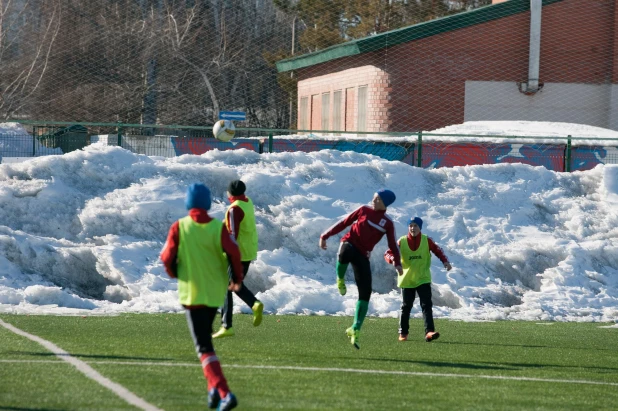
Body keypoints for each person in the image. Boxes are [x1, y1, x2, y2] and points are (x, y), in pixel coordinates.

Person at [160, 183, 242, 411]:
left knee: (203, 347)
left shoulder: (180, 227)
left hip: (192, 294)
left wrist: (175, 273)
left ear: (188, 202)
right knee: (206, 341)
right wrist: (237, 277)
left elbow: (166, 258)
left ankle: (225, 393)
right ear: (207, 203)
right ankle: (213, 391)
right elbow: (234, 251)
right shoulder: (217, 227)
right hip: (215, 294)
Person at [319, 189, 402, 349]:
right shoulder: (363, 210)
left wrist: (397, 263)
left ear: (385, 203)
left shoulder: (387, 223)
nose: (373, 200)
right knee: (346, 252)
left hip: (363, 255)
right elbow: (344, 222)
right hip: (349, 244)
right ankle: (340, 278)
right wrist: (325, 235)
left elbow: (392, 244)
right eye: (374, 197)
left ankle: (355, 328)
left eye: (377, 199)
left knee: (366, 293)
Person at [384, 216, 452, 343]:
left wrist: (445, 261)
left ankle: (429, 332)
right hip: (407, 279)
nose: (412, 228)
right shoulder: (402, 241)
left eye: (415, 226)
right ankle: (403, 333)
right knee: (406, 307)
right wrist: (393, 259)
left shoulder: (427, 240)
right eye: (410, 226)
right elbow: (388, 253)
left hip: (423, 278)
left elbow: (438, 250)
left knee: (426, 305)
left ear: (420, 227)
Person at [213, 180, 264, 339]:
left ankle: (227, 325)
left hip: (237, 252)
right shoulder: (247, 202)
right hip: (248, 250)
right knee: (233, 284)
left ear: (230, 193)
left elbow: (233, 234)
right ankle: (254, 304)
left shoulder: (234, 209)